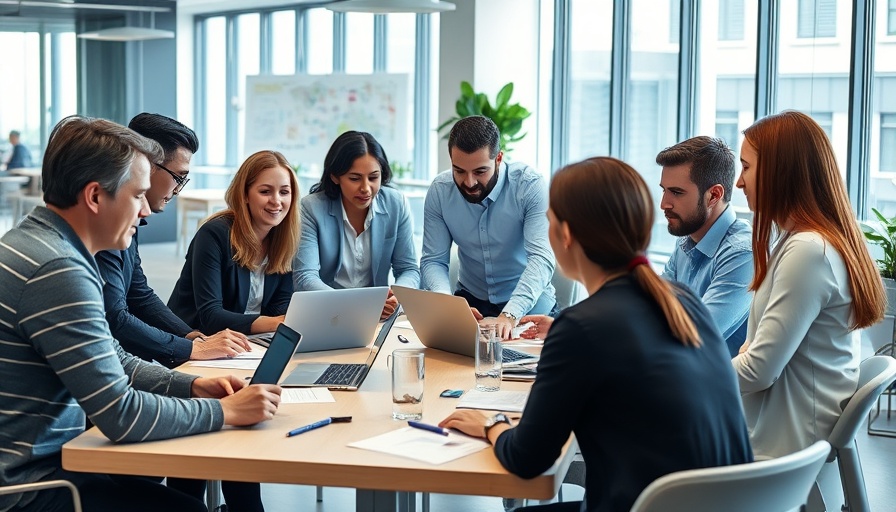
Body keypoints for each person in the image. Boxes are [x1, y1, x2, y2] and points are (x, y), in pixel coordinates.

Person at [0, 116, 281, 512]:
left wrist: (190, 387)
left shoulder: (39, 243)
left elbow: (111, 356)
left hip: (42, 467)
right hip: (35, 486)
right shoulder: (58, 271)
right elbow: (121, 414)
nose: (145, 212)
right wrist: (224, 410)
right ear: (95, 197)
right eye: (137, 196)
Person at [440, 156, 752, 512]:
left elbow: (527, 460)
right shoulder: (680, 302)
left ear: (567, 234)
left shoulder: (582, 326)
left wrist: (489, 423)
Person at [732, 110, 885, 459]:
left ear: (779, 172)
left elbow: (758, 369)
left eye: (746, 167)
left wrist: (687, 380)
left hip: (780, 443)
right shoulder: (802, 241)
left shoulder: (808, 251)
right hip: (784, 427)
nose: (739, 182)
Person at [97, 113, 251, 368]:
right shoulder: (108, 223)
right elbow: (115, 317)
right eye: (179, 177)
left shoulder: (131, 218)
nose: (180, 189)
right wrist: (190, 347)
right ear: (146, 165)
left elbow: (139, 293)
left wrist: (192, 336)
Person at [420, 115, 556, 339]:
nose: (469, 182)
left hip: (530, 309)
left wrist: (510, 314)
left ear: (499, 158)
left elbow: (541, 257)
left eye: (480, 171)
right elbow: (433, 260)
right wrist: (447, 306)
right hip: (471, 305)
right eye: (459, 171)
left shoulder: (529, 186)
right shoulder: (440, 191)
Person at [168, 150, 299, 335]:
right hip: (196, 340)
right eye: (265, 191)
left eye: (284, 192)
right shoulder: (214, 234)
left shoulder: (285, 239)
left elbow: (278, 310)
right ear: (245, 195)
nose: (276, 201)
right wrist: (278, 323)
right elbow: (211, 316)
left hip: (249, 341)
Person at [293, 130, 419, 319]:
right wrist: (356, 306)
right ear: (335, 177)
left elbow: (408, 269)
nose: (366, 188)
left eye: (374, 177)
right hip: (327, 313)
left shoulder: (396, 204)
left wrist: (398, 295)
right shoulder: (311, 208)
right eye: (354, 178)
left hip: (378, 316)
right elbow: (305, 277)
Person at [657, 136, 753, 357]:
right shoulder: (686, 241)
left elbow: (694, 337)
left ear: (714, 195)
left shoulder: (742, 254)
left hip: (713, 387)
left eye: (677, 192)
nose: (664, 203)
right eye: (664, 190)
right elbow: (650, 307)